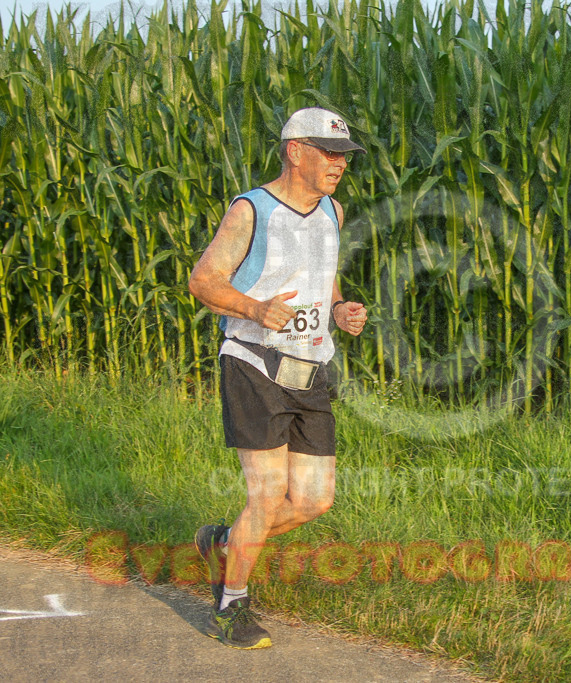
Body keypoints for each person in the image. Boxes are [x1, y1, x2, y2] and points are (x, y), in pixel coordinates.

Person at [188, 107, 368, 649]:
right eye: (329, 153)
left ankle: (224, 543)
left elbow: (323, 278)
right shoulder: (252, 211)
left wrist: (338, 310)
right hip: (254, 362)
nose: (339, 164)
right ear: (295, 151)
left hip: (311, 368)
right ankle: (232, 605)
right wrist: (254, 308)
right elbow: (202, 280)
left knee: (314, 501)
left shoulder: (332, 211)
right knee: (266, 495)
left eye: (344, 156)